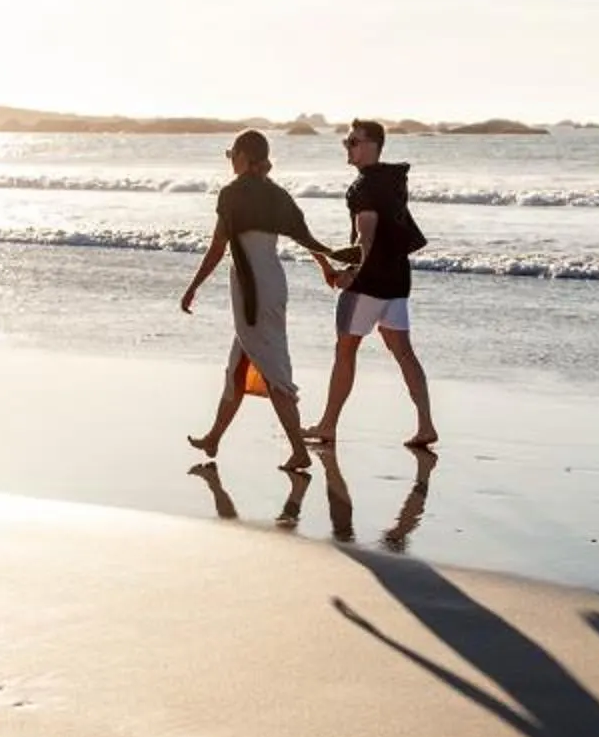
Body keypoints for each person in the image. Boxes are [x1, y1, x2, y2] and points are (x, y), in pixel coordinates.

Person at [181, 129, 339, 472]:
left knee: (273, 372)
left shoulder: (232, 194)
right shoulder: (276, 195)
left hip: (254, 291)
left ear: (242, 157)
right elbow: (306, 237)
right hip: (269, 285)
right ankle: (214, 438)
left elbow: (217, 247)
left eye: (231, 154)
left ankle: (298, 450)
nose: (229, 161)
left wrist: (193, 286)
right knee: (238, 366)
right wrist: (326, 267)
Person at [306, 118, 437, 451]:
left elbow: (366, 237)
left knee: (345, 350)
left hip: (369, 283)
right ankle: (426, 425)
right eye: (346, 142)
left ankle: (328, 425)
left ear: (372, 146)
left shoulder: (363, 188)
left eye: (353, 142)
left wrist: (351, 273)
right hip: (397, 279)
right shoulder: (394, 182)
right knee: (404, 352)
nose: (347, 148)